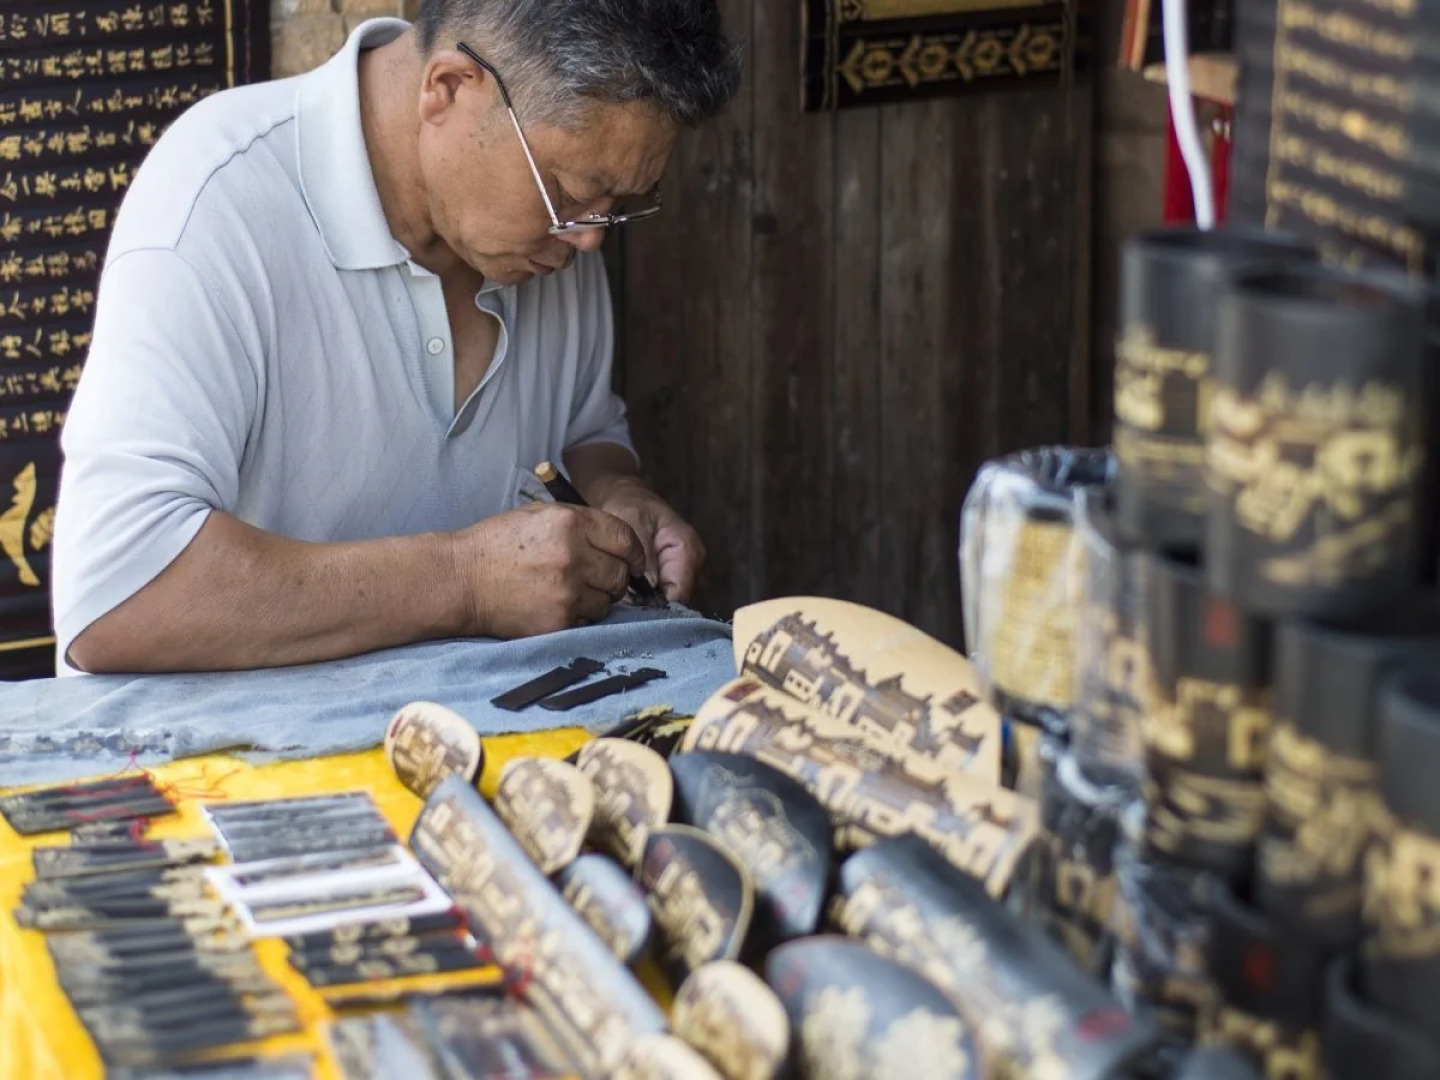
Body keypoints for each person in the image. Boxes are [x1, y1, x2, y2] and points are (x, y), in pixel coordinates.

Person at [50, 1, 741, 675]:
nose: (589, 239)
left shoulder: (549, 239)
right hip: (233, 744)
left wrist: (617, 491)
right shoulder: (217, 202)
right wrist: (465, 580)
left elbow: (583, 430)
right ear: (449, 88)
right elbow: (117, 592)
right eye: (571, 191)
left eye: (619, 206)